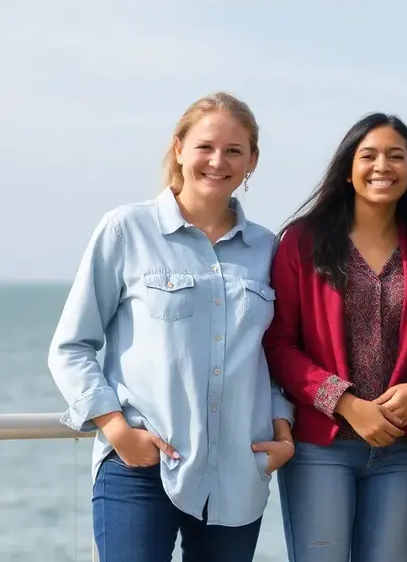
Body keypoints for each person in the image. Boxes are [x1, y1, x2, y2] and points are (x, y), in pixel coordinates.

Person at [46, 92, 295, 562]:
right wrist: (116, 429)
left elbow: (275, 352)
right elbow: (71, 346)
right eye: (205, 146)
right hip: (139, 467)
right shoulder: (125, 229)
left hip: (238, 476)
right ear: (179, 148)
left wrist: (282, 431)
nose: (218, 161)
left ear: (252, 162)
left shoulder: (269, 249)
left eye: (234, 151)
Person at [262, 113, 407, 562]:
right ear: (347, 168)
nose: (383, 165)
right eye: (369, 155)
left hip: (403, 448)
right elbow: (279, 344)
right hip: (321, 448)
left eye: (396, 156)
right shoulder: (302, 242)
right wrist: (345, 403)